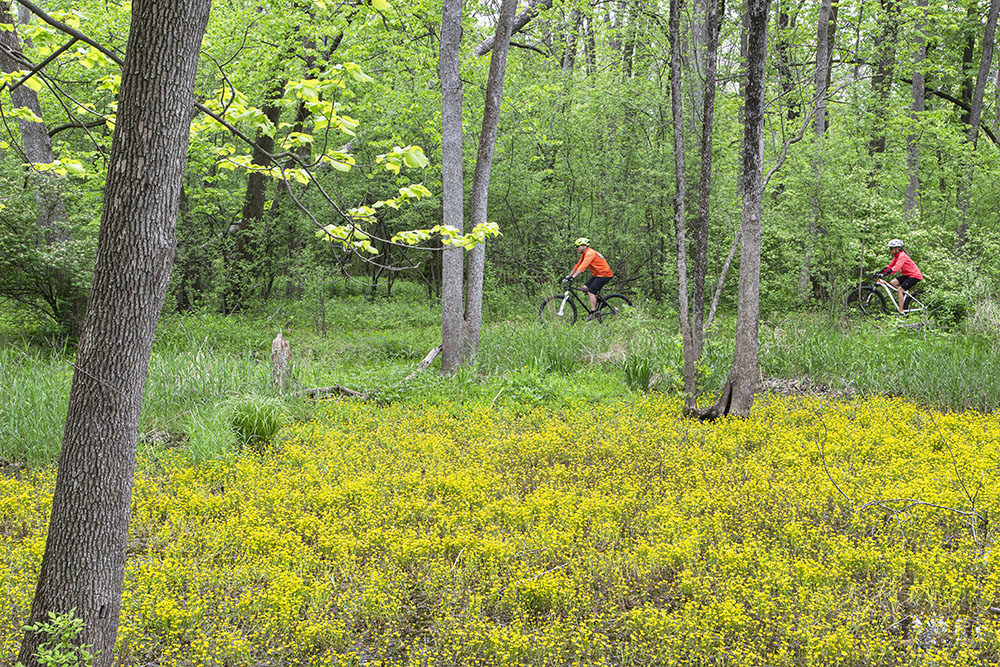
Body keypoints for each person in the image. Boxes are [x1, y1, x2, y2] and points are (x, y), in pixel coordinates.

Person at [563, 237, 614, 319]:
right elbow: (577, 266)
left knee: (591, 292)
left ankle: (592, 313)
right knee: (585, 288)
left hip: (605, 274)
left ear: (583, 246)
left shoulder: (590, 253)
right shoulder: (584, 254)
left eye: (577, 246)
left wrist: (573, 277)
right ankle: (601, 303)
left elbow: (583, 267)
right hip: (598, 274)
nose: (576, 248)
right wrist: (569, 276)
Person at [874, 238, 922, 314]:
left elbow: (896, 268)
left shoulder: (902, 256)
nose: (890, 250)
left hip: (914, 276)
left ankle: (901, 311)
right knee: (892, 282)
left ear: (897, 248)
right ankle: (905, 295)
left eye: (891, 249)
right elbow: (890, 266)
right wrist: (880, 272)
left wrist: (884, 274)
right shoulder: (897, 256)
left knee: (900, 290)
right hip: (908, 275)